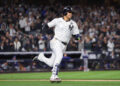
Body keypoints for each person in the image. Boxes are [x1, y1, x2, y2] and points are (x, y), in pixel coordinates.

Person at [33, 6, 80, 82]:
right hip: (56, 41)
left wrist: (78, 38)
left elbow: (77, 36)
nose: (71, 14)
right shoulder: (57, 20)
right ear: (65, 13)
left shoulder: (73, 24)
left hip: (64, 46)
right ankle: (54, 76)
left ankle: (41, 57)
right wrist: (44, 33)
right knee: (59, 55)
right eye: (69, 12)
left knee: (52, 63)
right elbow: (46, 26)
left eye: (71, 12)